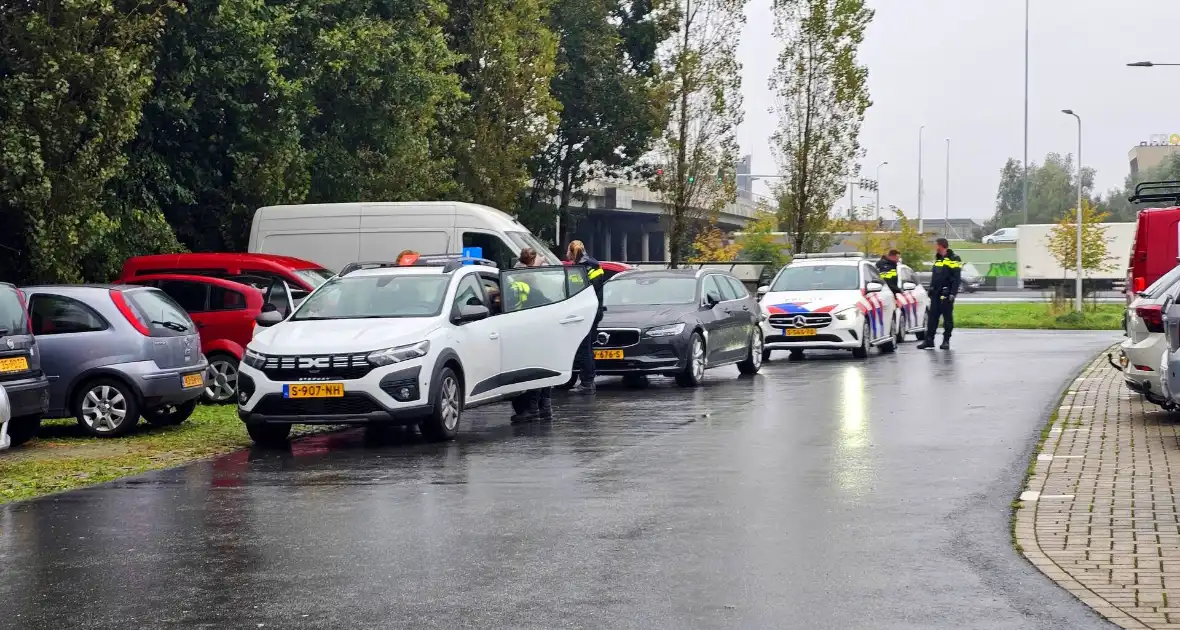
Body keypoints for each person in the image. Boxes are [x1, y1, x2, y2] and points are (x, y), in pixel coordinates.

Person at [508, 249, 553, 423]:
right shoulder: (527, 280)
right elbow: (544, 301)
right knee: (541, 369)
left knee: (533, 370)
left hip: (526, 332)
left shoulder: (515, 279)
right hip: (533, 330)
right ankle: (544, 407)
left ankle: (533, 408)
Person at [567, 240, 605, 394]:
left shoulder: (580, 268)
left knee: (584, 348)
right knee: (587, 347)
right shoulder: (593, 265)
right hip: (594, 311)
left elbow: (578, 291)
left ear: (571, 252)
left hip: (586, 312)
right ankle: (588, 381)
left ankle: (587, 382)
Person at [919, 238, 962, 350]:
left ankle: (946, 341)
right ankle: (929, 340)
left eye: (936, 245)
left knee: (947, 318)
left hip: (946, 294)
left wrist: (953, 293)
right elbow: (935, 276)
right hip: (936, 294)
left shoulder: (954, 258)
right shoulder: (938, 259)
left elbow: (956, 278)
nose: (935, 248)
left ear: (941, 246)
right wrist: (931, 289)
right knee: (932, 318)